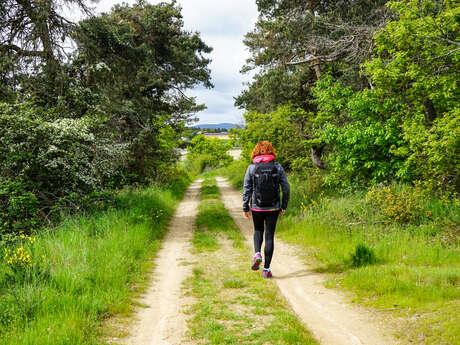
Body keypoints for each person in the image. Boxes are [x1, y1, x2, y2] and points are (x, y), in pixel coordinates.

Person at [243, 141, 290, 278]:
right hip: (273, 207)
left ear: (256, 151)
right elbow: (286, 188)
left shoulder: (251, 168)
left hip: (257, 207)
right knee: (269, 235)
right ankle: (266, 270)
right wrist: (284, 205)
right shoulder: (278, 167)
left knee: (258, 230)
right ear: (271, 151)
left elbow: (247, 188)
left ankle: (257, 253)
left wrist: (245, 206)